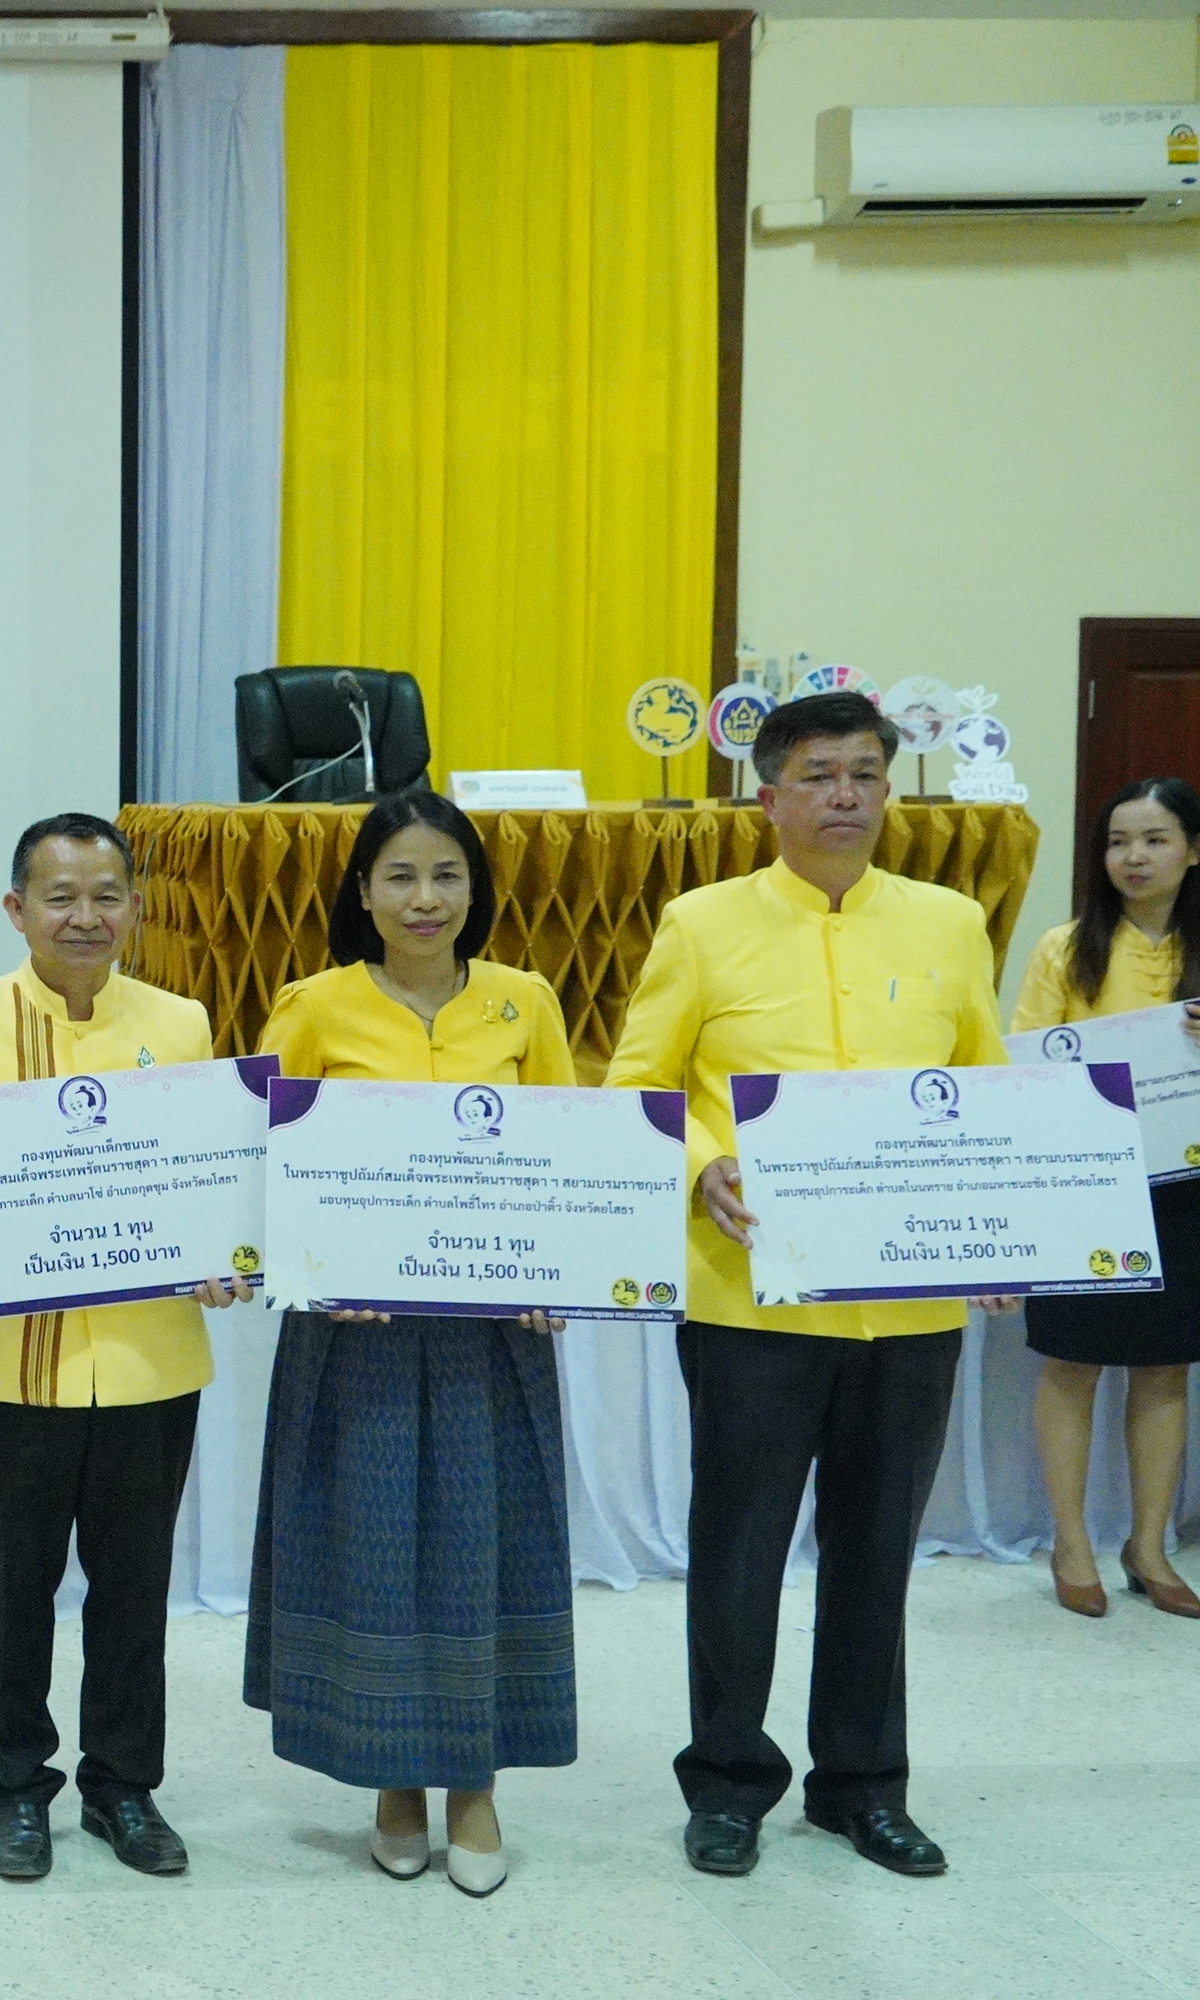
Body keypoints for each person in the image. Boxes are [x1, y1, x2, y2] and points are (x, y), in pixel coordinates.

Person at [606, 690, 1008, 1881]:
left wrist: (1000, 1230)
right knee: (738, 1545)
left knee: (876, 1546)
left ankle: (859, 1784)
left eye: (866, 775)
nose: (845, 795)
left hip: (908, 1304)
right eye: (820, 774)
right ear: (767, 793)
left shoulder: (947, 923)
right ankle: (726, 1779)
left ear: (891, 790)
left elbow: (981, 1090)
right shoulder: (699, 921)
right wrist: (700, 1163)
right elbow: (640, 1084)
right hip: (748, 1297)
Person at [0, 813, 250, 1884]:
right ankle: (14, 1788)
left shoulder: (182, 1021)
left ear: (135, 906)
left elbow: (215, 1180)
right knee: (14, 1585)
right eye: (59, 897)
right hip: (8, 1364)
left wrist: (227, 1253)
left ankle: (122, 1786)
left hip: (149, 1360)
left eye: (105, 895)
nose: (84, 917)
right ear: (17, 910)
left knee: (135, 1585)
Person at [242, 791, 577, 1900]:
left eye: (444, 875)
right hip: (356, 1338)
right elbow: (266, 1165)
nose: (422, 898)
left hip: (493, 1339)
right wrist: (309, 1270)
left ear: (475, 889)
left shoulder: (525, 1003)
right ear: (360, 891)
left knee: (486, 1552)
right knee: (371, 1550)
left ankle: (472, 1782)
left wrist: (557, 1274)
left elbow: (562, 1164)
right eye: (398, 876)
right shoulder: (312, 1005)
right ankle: (390, 1779)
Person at [1011, 777, 1200, 1619]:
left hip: (1187, 1186)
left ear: (1193, 850)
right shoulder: (1065, 947)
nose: (1133, 856)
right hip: (1085, 1179)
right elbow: (1019, 1063)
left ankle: (1149, 1544)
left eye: (1155, 839)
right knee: (1074, 1361)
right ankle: (1071, 1541)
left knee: (1165, 1368)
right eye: (1119, 841)